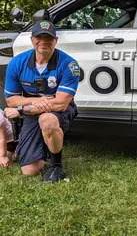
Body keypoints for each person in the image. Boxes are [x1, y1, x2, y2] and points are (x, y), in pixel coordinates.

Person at [4, 20, 80, 182]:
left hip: (58, 110)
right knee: (29, 170)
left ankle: (56, 165)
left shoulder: (69, 64)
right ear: (32, 39)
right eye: (39, 37)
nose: (43, 42)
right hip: (34, 108)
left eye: (48, 38)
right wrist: (35, 102)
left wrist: (21, 110)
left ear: (56, 40)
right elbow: (11, 100)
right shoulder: (17, 63)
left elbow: (60, 103)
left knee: (47, 119)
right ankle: (45, 145)